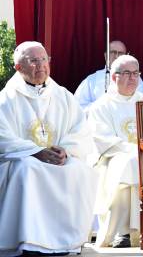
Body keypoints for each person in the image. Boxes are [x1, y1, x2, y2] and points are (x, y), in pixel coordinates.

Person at [0, 41, 96, 256]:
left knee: (78, 169)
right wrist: (34, 151)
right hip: (21, 160)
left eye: (44, 59)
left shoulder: (63, 96)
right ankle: (28, 240)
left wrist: (66, 150)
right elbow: (2, 136)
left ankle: (63, 241)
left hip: (57, 158)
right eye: (33, 61)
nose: (41, 65)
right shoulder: (6, 100)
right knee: (27, 169)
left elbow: (81, 130)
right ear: (18, 67)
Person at [88, 55, 143, 248]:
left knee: (139, 161)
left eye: (136, 73)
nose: (133, 78)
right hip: (111, 158)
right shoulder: (101, 106)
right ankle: (123, 232)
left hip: (142, 154)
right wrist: (132, 149)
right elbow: (101, 140)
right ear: (114, 78)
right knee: (129, 162)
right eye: (127, 73)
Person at [74, 40, 143, 111]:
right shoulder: (91, 80)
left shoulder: (135, 78)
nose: (116, 56)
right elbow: (78, 108)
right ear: (106, 55)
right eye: (113, 52)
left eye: (120, 53)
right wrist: (101, 107)